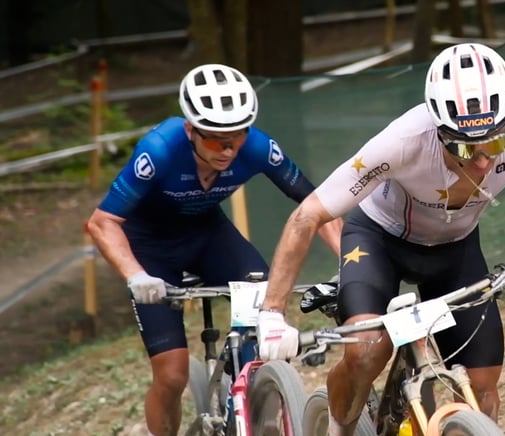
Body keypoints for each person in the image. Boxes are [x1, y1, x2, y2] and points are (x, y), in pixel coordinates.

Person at [257, 42, 505, 434]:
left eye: (493, 143)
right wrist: (271, 312)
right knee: (367, 351)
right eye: (463, 146)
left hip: (454, 250)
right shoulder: (402, 142)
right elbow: (308, 216)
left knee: (483, 384)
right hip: (379, 242)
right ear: (438, 131)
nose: (482, 161)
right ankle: (338, 426)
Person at [86, 63, 343, 436]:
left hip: (208, 234)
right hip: (150, 247)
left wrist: (347, 259)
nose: (227, 149)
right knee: (172, 376)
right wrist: (135, 275)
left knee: (264, 307)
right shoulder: (159, 151)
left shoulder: (257, 147)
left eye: (236, 136)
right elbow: (102, 222)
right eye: (213, 139)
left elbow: (317, 204)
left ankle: (247, 403)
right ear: (190, 130)